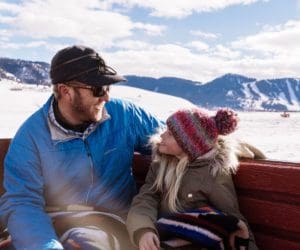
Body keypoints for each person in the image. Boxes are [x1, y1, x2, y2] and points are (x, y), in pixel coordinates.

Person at [0, 45, 164, 250]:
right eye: (98, 89)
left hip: (114, 220)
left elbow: (170, 139)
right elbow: (22, 203)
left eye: (108, 87)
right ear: (65, 91)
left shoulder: (124, 115)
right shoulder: (31, 137)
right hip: (54, 222)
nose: (106, 97)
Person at [126, 108, 259, 250]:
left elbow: (234, 220)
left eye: (170, 134)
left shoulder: (212, 174)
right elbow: (146, 198)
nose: (162, 135)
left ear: (187, 145)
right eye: (166, 129)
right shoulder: (161, 164)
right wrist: (143, 230)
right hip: (162, 236)